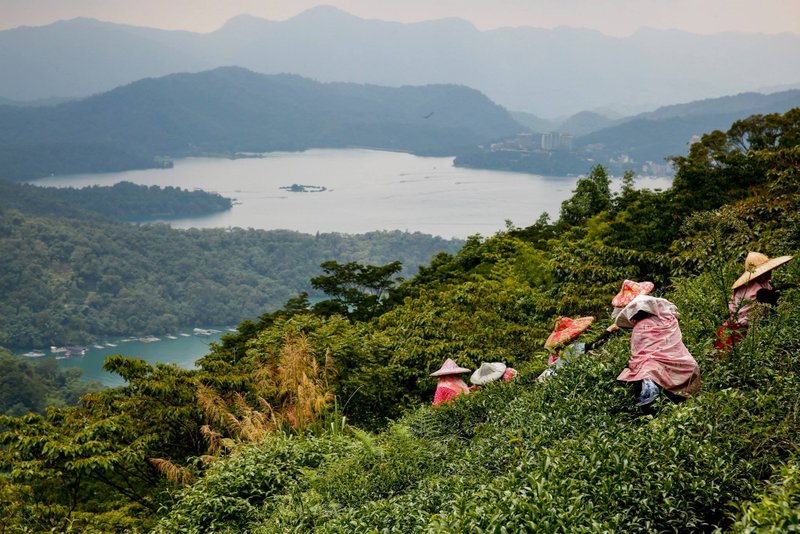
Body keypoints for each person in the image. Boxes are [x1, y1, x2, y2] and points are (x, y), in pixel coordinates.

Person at [613, 282, 700, 407]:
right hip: (658, 362)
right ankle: (655, 394)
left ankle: (656, 395)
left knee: (649, 370)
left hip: (658, 362)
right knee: (650, 371)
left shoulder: (656, 321)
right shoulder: (664, 318)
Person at [715, 252, 795, 352]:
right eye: (766, 271)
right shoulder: (753, 291)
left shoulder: (762, 283)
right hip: (735, 333)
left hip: (742, 331)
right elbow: (770, 298)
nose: (770, 273)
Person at [539, 316, 615, 381]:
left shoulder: (554, 351)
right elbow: (594, 345)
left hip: (546, 379)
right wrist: (609, 330)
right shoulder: (573, 348)